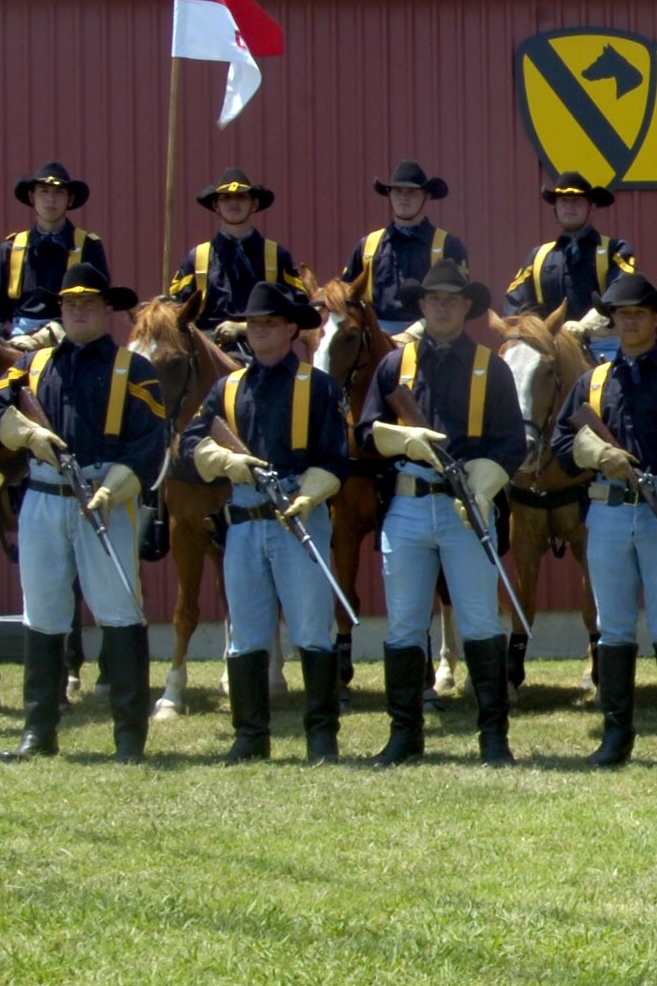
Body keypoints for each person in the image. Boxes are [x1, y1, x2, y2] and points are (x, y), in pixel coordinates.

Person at [0, 262, 167, 762]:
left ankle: (128, 737)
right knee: (42, 612)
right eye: (69, 303)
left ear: (107, 310)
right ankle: (38, 732)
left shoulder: (134, 369)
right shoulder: (31, 366)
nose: (78, 310)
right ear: (60, 311)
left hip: (107, 498)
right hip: (42, 495)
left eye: (88, 303)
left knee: (120, 611)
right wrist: (23, 432)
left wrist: (117, 486)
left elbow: (151, 442)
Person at [355, 261, 527, 766]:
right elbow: (366, 433)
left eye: (452, 299)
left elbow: (511, 444)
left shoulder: (489, 366)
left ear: (468, 306)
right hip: (407, 504)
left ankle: (493, 737)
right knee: (405, 625)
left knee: (478, 621)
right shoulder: (394, 367)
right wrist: (403, 437)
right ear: (422, 306)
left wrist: (482, 479)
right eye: (433, 299)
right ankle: (405, 735)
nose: (443, 306)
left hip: (467, 506)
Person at [552, 269, 657, 767]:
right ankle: (615, 735)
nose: (629, 322)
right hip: (606, 511)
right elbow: (563, 444)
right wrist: (597, 455)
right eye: (622, 315)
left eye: (639, 314)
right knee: (613, 626)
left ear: (655, 319)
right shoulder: (592, 380)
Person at [182, 282, 349, 762]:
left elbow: (337, 459)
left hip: (301, 515)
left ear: (292, 329)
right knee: (248, 634)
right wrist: (224, 461)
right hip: (244, 519)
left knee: (313, 630)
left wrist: (309, 493)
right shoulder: (227, 387)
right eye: (254, 325)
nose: (260, 334)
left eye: (270, 324)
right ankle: (250, 736)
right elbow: (192, 444)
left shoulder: (318, 388)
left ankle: (321, 737)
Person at [166, 170, 308, 343]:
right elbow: (177, 311)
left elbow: (299, 310)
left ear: (254, 204)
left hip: (263, 353)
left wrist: (244, 328)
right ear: (216, 206)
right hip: (208, 352)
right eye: (226, 198)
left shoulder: (277, 256)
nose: (233, 203)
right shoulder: (196, 258)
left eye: (241, 197)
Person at [0, 161, 109, 343]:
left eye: (59, 192)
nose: (51, 199)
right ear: (32, 197)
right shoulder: (10, 249)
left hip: (72, 341)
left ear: (70, 199)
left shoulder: (89, 247)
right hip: (20, 342)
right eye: (44, 191)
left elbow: (100, 306)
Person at [506, 175, 637, 355]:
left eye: (576, 201)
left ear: (590, 207)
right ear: (555, 209)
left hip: (602, 346)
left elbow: (623, 293)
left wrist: (585, 326)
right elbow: (514, 302)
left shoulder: (615, 250)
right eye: (564, 201)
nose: (569, 206)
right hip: (549, 350)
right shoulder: (538, 257)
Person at [340, 160, 468, 336]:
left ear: (427, 196)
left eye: (412, 192)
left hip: (430, 339)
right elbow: (346, 297)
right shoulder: (368, 246)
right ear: (389, 195)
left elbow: (461, 300)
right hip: (375, 342)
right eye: (398, 191)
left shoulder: (448, 245)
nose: (403, 197)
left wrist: (419, 330)